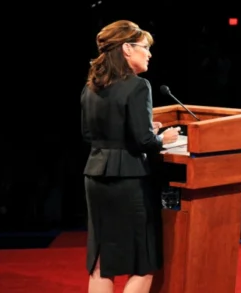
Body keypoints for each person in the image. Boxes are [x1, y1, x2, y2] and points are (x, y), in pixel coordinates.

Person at [81, 20, 180, 293]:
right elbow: (144, 141)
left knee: (103, 260)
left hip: (95, 176)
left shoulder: (91, 87)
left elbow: (90, 134)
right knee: (143, 262)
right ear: (127, 49)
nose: (149, 54)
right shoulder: (138, 85)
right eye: (145, 48)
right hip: (129, 180)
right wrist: (163, 138)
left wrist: (145, 129)